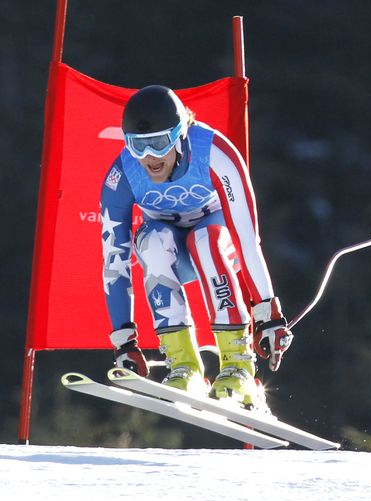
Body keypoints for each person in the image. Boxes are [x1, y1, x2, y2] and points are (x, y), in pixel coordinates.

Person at [100, 85, 293, 408]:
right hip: (173, 251)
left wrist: (268, 314)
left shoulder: (214, 153)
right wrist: (123, 340)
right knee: (152, 242)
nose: (150, 157)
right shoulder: (122, 175)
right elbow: (114, 261)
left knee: (205, 240)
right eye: (138, 146)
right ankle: (184, 365)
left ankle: (238, 364)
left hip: (216, 242)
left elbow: (246, 239)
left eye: (159, 144)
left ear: (180, 134)